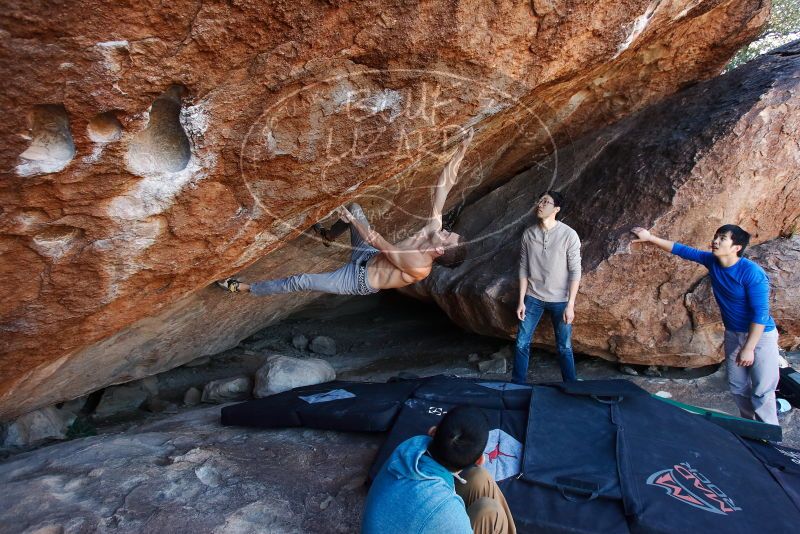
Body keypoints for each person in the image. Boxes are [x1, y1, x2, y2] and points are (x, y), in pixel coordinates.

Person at [217, 128, 474, 296]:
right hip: (368, 254)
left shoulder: (418, 266)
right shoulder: (431, 231)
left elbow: (377, 240)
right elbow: (443, 186)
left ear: (439, 251)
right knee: (355, 207)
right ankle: (329, 236)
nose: (445, 230)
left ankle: (245, 287)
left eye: (447, 235)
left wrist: (353, 222)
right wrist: (461, 151)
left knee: (302, 280)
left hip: (356, 279)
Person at [630, 224, 780, 425]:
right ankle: (752, 427)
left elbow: (761, 314)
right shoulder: (713, 261)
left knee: (762, 389)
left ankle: (770, 432)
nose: (715, 241)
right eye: (716, 236)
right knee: (737, 386)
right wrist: (650, 238)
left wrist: (749, 348)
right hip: (734, 333)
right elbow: (683, 250)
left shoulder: (751, 273)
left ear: (736, 247)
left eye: (722, 238)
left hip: (760, 336)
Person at [362, 406, 516, 534]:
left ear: (432, 432)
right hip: (433, 515)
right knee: (491, 513)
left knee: (478, 477)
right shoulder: (447, 513)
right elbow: (443, 515)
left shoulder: (410, 446)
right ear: (480, 460)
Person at [513, 191, 581, 384]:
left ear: (556, 209)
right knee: (521, 343)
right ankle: (516, 386)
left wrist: (571, 305)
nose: (540, 204)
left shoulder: (569, 235)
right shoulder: (528, 234)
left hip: (561, 300)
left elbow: (576, 271)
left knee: (564, 346)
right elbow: (523, 268)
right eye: (540, 200)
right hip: (533, 298)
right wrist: (521, 301)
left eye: (546, 201)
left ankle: (571, 386)